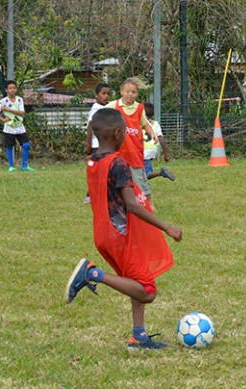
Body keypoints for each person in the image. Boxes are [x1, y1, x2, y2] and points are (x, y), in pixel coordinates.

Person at [65, 108, 183, 350]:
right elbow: (131, 204)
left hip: (103, 233)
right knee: (147, 291)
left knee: (135, 281)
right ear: (119, 133)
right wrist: (166, 227)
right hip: (120, 234)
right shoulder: (118, 163)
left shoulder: (93, 162)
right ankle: (92, 274)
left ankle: (138, 336)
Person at [106, 77, 159, 210]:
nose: (130, 94)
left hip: (134, 150)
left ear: (136, 94)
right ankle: (117, 201)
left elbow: (144, 124)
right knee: (116, 176)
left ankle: (149, 202)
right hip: (119, 150)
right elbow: (100, 115)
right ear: (121, 91)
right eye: (127, 91)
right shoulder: (114, 106)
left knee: (140, 178)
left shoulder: (139, 108)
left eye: (133, 92)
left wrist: (152, 133)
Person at [0, 80, 34, 172]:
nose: (12, 90)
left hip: (19, 126)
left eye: (14, 88)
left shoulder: (19, 100)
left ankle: (24, 165)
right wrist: (3, 119)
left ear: (16, 89)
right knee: (10, 146)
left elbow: (21, 112)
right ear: (6, 90)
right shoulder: (3, 101)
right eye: (10, 88)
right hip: (9, 128)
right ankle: (11, 166)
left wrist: (9, 110)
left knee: (26, 145)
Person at [83, 82, 112, 203]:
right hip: (97, 146)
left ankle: (100, 194)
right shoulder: (96, 109)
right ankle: (90, 195)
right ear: (96, 95)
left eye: (108, 94)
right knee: (98, 170)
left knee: (104, 170)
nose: (106, 96)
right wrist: (88, 145)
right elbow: (90, 126)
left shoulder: (106, 108)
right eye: (103, 93)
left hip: (105, 145)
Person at [143, 103, 175, 182]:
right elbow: (162, 140)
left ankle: (161, 173)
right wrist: (166, 154)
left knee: (145, 174)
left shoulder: (139, 122)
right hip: (152, 150)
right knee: (142, 172)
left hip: (142, 151)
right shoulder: (155, 124)